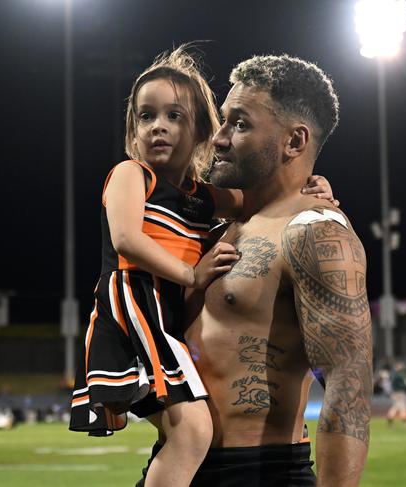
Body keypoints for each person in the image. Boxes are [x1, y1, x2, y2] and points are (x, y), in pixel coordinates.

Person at [69, 47, 336, 487]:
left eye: (175, 116)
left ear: (201, 134)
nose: (158, 125)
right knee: (193, 431)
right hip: (135, 304)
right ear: (133, 131)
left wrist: (312, 185)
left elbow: (264, 198)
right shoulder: (131, 175)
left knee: (189, 431)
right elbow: (125, 240)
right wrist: (192, 274)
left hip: (166, 314)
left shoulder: (201, 195)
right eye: (146, 116)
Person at [137, 54, 372, 487]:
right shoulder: (221, 229)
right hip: (176, 463)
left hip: (258, 472)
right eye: (223, 122)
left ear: (294, 142)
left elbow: (348, 380)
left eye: (240, 124)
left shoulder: (317, 233)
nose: (219, 139)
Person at [386, 361, 406, 426]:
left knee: (395, 407)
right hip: (399, 393)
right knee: (402, 407)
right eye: (401, 366)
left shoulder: (393, 374)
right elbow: (404, 384)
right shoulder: (399, 375)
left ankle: (390, 421)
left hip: (394, 392)